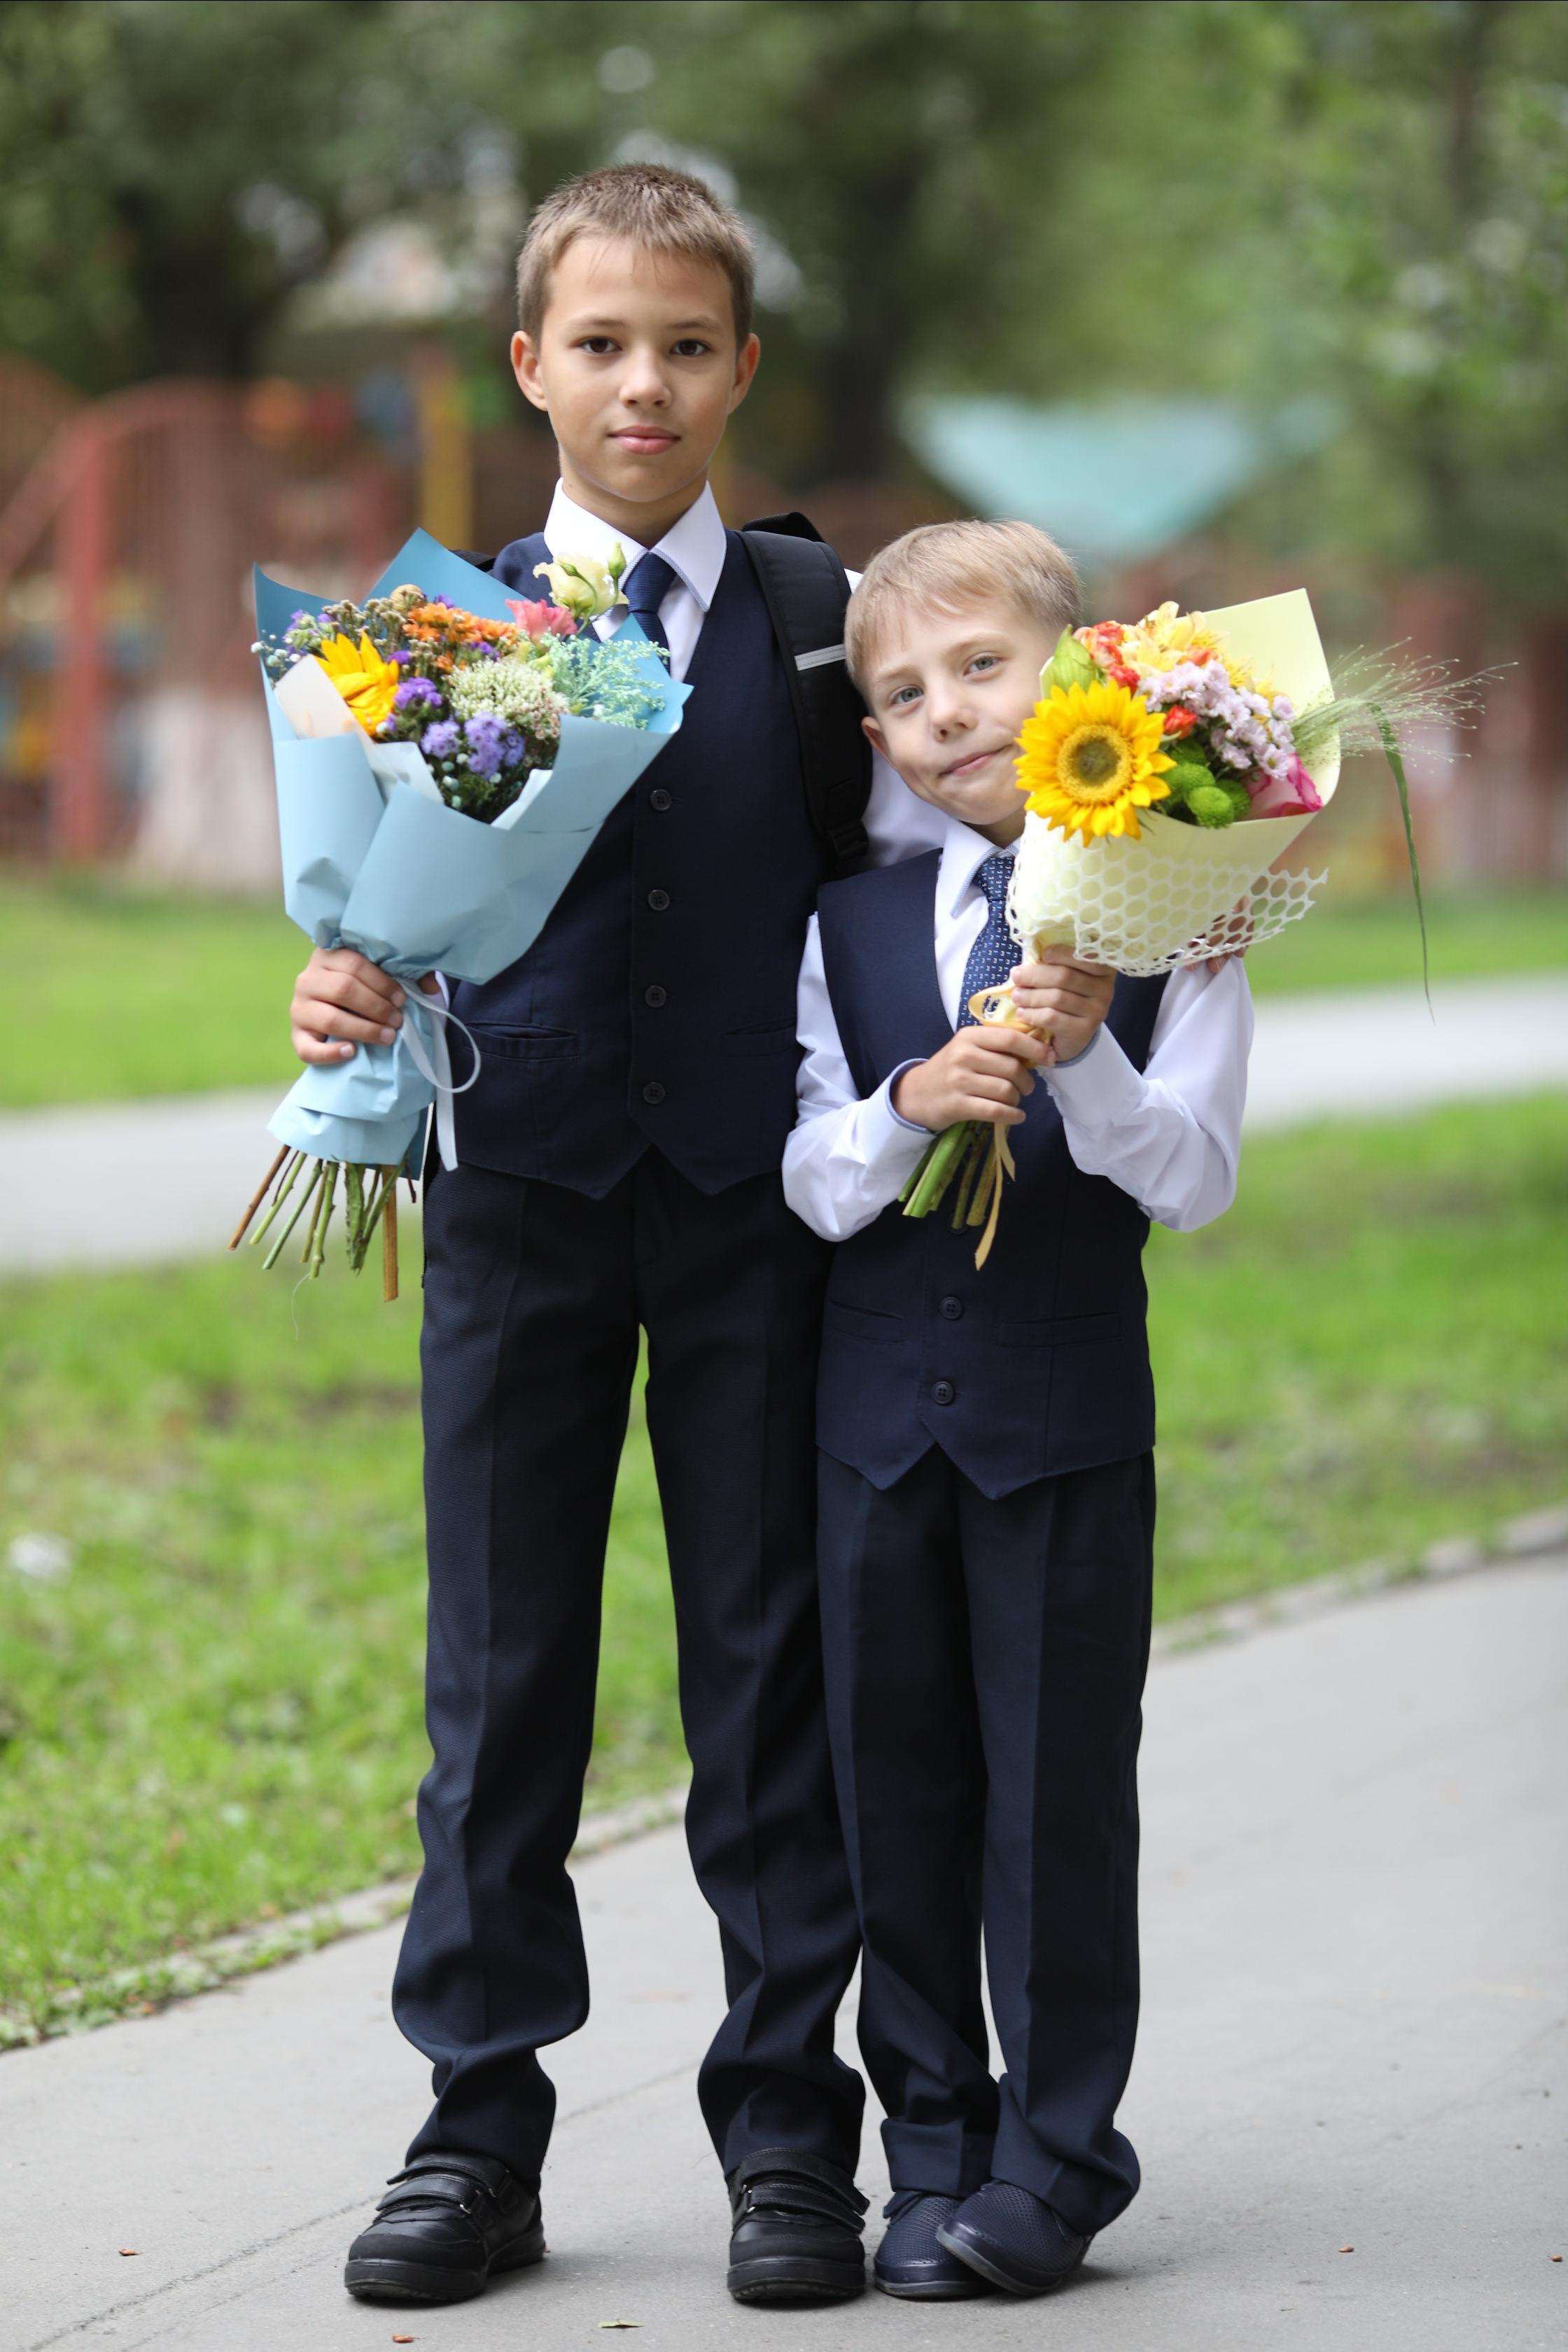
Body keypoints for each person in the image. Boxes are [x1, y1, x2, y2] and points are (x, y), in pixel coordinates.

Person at [287, 164, 941, 2310]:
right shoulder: (448, 635)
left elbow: (918, 861)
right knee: (502, 1684)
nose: (641, 382)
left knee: (772, 1676)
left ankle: (784, 2130)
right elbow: (380, 915)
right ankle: (477, 2122)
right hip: (519, 1207)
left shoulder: (816, 625)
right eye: (599, 343)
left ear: (741, 367)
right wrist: (340, 994)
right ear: (528, 368)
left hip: (761, 1211)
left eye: (683, 345)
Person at [783, 519, 1252, 2300]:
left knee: (1056, 1802)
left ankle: (1058, 2159)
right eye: (902, 696)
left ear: (1076, 678)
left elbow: (1192, 1180)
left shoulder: (1180, 912)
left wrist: (1089, 1056)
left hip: (1060, 1428)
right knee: (890, 1792)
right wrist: (913, 1098)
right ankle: (932, 2146)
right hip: (872, 1428)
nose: (944, 714)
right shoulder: (839, 927)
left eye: (979, 669)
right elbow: (816, 1181)